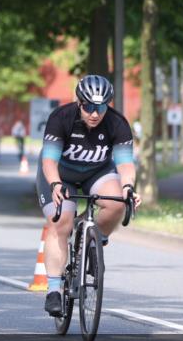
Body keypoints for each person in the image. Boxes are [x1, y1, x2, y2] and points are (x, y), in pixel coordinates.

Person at [36, 74, 142, 317]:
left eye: (101, 107)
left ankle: (92, 237)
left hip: (96, 173)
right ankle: (54, 290)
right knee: (61, 221)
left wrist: (128, 187)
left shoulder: (117, 123)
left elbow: (125, 165)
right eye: (89, 107)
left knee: (117, 204)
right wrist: (55, 184)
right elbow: (49, 160)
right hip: (60, 174)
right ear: (79, 102)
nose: (95, 113)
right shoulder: (61, 118)